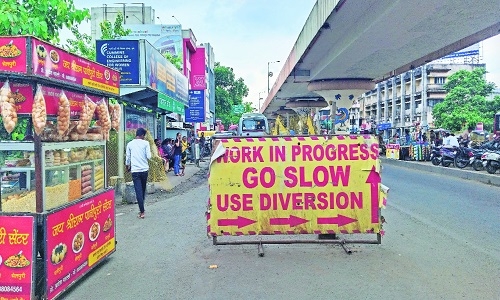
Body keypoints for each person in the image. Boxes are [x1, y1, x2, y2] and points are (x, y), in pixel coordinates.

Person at [126, 128, 151, 219]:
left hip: (135, 171)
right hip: (144, 170)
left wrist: (127, 166)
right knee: (143, 189)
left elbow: (128, 158)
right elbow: (149, 156)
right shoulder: (146, 143)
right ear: (142, 135)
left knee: (138, 191)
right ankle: (142, 208)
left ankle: (142, 211)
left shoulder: (130, 144)